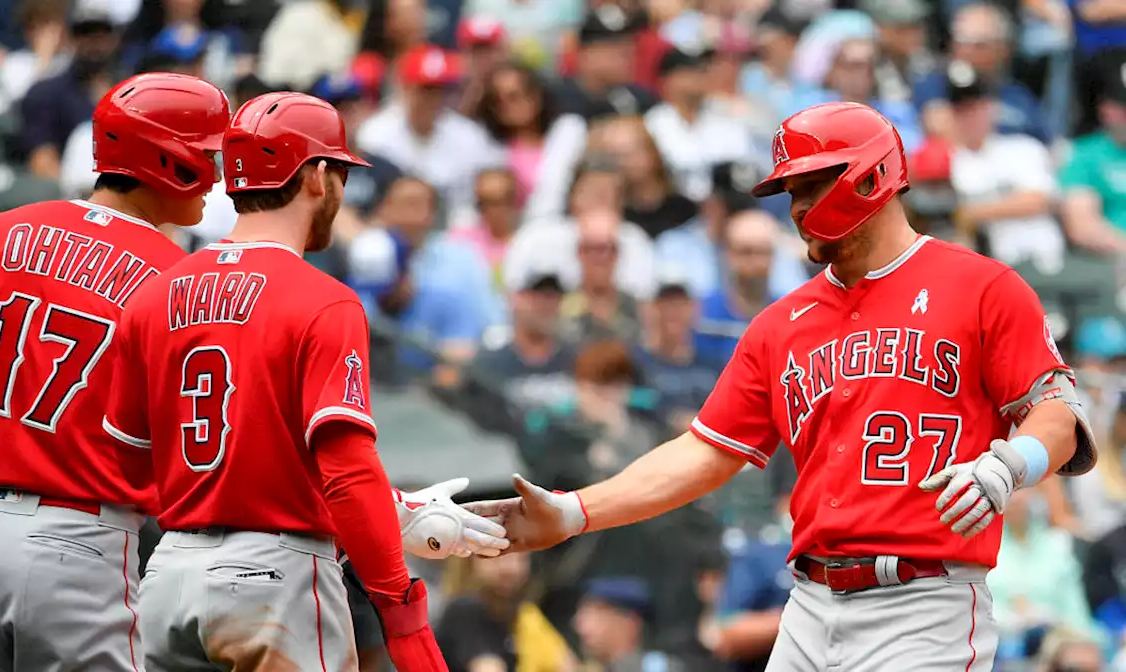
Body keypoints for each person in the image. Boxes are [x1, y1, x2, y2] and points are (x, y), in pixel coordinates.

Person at [464, 102, 1100, 671]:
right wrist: (576, 512)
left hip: (923, 605)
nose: (796, 208)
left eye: (812, 184)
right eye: (790, 190)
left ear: (872, 176)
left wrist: (1011, 464)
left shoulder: (982, 286)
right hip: (808, 606)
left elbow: (1058, 412)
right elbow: (707, 451)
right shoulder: (779, 324)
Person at [101, 92, 508, 671]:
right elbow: (344, 468)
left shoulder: (157, 290)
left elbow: (128, 462)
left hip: (168, 574)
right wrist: (401, 609)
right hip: (276, 578)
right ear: (317, 175)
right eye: (340, 172)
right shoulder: (324, 300)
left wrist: (387, 507)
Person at [0, 72, 232, 671]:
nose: (216, 173)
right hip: (77, 545)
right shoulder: (181, 280)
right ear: (167, 159)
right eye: (206, 154)